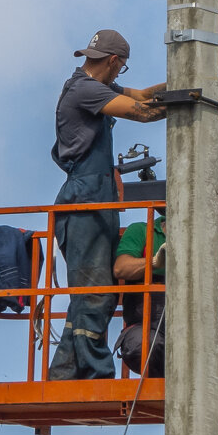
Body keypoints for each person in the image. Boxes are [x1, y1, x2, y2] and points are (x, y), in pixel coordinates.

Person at [48, 29, 166, 380]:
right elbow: (142, 111)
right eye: (121, 67)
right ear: (114, 61)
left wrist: (186, 83)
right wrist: (193, 101)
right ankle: (95, 372)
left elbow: (142, 94)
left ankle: (63, 374)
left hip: (97, 200)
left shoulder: (96, 86)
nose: (119, 74)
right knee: (95, 292)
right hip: (84, 200)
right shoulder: (84, 90)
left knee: (93, 291)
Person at [113, 212, 167, 377]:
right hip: (145, 325)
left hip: (188, 327)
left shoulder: (203, 239)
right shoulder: (142, 231)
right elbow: (121, 268)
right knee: (143, 346)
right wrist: (154, 262)